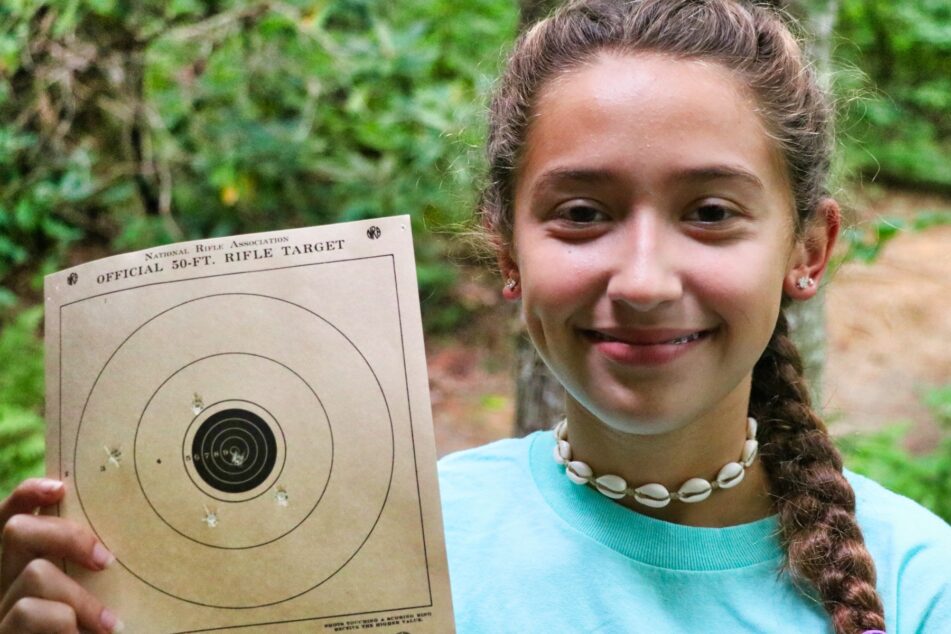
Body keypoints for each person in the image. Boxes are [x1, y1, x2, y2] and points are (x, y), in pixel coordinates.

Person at [0, 1, 948, 632]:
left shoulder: (916, 584)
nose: (646, 278)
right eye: (581, 213)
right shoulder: (368, 543)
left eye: (710, 212)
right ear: (506, 251)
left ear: (807, 249)